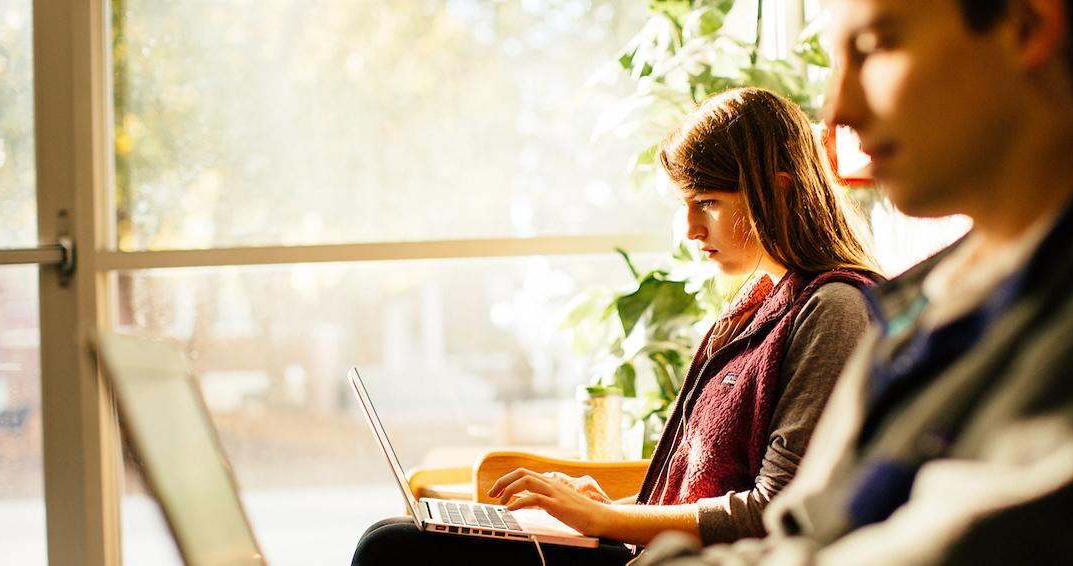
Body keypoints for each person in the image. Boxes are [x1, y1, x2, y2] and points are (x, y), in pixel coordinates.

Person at [637, 0, 1073, 565]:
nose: (839, 109)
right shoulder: (920, 304)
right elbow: (800, 533)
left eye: (875, 47)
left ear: (1023, 29)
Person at [351, 87, 884, 565]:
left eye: (709, 203)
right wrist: (606, 508)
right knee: (391, 533)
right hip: (652, 552)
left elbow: (777, 507)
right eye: (685, 204)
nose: (691, 228)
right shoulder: (758, 302)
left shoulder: (833, 310)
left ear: (780, 191)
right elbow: (696, 496)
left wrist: (605, 521)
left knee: (391, 551)